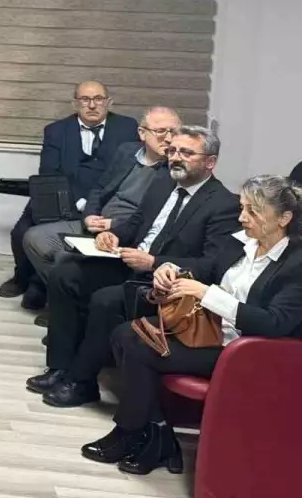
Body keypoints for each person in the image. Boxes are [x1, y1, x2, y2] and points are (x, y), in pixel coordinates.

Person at [81, 174, 302, 475]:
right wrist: (171, 270)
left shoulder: (296, 264)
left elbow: (274, 323)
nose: (242, 217)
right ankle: (157, 433)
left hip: (248, 352)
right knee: (124, 333)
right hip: (212, 332)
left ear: (284, 218)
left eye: (253, 211)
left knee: (140, 348)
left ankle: (131, 432)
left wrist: (206, 294)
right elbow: (205, 268)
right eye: (242, 207)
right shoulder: (242, 242)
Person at [27, 126, 240, 408]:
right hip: (130, 262)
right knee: (65, 273)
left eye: (187, 153)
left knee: (107, 300)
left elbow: (211, 266)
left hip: (165, 284)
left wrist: (154, 262)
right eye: (173, 151)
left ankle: (82, 382)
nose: (176, 158)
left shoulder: (224, 204)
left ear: (210, 162)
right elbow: (138, 222)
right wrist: (114, 235)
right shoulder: (163, 182)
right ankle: (59, 367)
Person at [0, 81, 141, 308]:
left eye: (98, 99)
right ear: (75, 103)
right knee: (21, 232)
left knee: (74, 240)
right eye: (85, 99)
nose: (92, 105)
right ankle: (22, 278)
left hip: (104, 200)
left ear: (109, 102)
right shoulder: (56, 131)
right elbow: (49, 173)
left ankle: (44, 286)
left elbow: (127, 172)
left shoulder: (127, 127)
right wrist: (78, 203)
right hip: (61, 195)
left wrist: (93, 206)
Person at [22, 107, 180, 288]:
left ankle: (69, 294)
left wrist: (113, 224)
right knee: (34, 238)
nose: (169, 138)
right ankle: (66, 293)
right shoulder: (127, 151)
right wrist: (89, 215)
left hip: (125, 234)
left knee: (66, 259)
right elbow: (100, 188)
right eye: (160, 131)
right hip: (97, 221)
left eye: (174, 132)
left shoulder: (175, 169)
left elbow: (160, 218)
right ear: (142, 133)